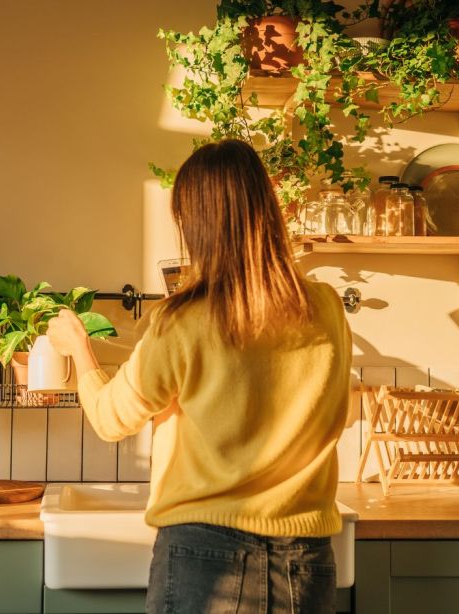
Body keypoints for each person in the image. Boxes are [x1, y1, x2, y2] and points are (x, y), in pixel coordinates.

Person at [47, 139, 351, 614]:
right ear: (267, 210)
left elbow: (111, 420)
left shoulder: (182, 321)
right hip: (305, 558)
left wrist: (79, 350)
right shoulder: (327, 307)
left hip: (204, 554)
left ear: (196, 224)